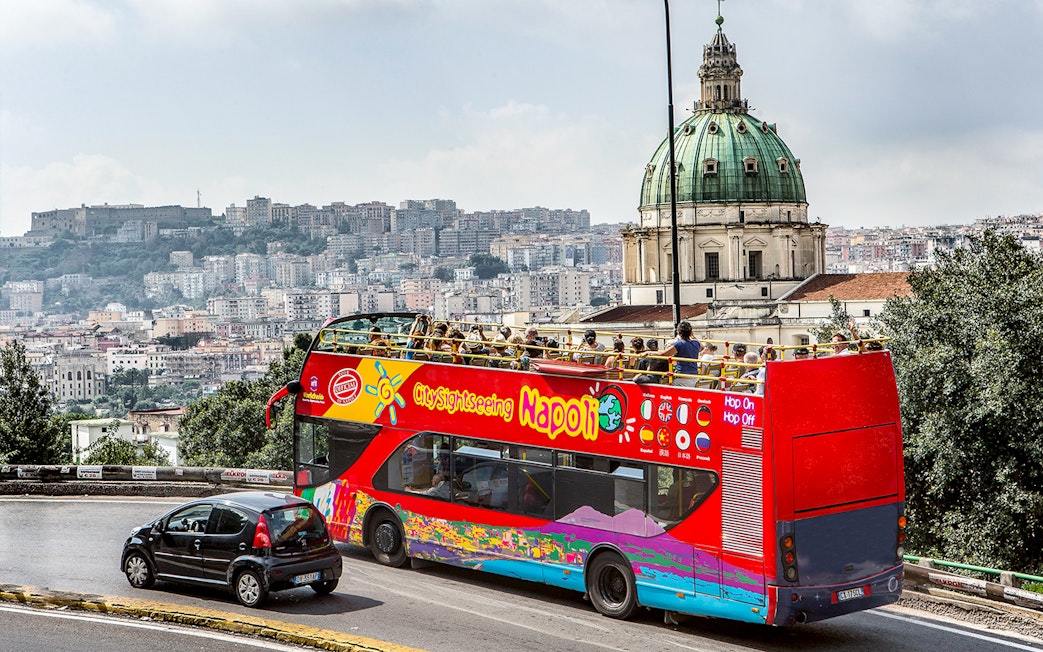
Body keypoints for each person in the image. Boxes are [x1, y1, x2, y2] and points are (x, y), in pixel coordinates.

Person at [654, 321, 701, 387]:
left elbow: (663, 354)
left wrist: (649, 352)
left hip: (682, 379)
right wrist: (692, 336)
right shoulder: (696, 343)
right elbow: (702, 347)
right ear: (691, 333)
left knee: (666, 384)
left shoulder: (679, 344)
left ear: (678, 333)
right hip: (694, 377)